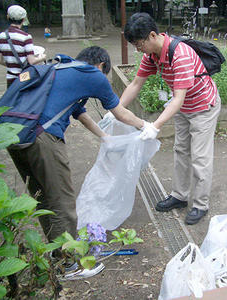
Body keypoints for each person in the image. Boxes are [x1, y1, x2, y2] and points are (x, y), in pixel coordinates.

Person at [7, 46, 146, 279]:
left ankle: (57, 254)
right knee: (61, 200)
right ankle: (69, 265)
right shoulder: (91, 75)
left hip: (15, 136)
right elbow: (120, 112)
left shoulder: (60, 68)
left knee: (43, 196)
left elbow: (79, 113)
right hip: (43, 137)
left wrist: (105, 138)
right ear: (102, 66)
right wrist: (146, 126)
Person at [121, 12, 221, 225]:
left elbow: (177, 98)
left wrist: (155, 126)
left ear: (152, 35)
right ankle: (179, 195)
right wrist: (116, 110)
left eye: (139, 44)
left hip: (203, 106)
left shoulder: (180, 54)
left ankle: (200, 204)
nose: (137, 49)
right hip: (184, 107)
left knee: (200, 157)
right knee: (181, 150)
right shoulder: (152, 55)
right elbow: (135, 84)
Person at [0, 5, 46, 88]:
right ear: (23, 19)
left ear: (8, 17)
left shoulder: (0, 37)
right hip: (25, 78)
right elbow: (32, 61)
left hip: (11, 80)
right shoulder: (26, 37)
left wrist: (13, 66)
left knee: (13, 100)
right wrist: (43, 57)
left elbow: (0, 61)